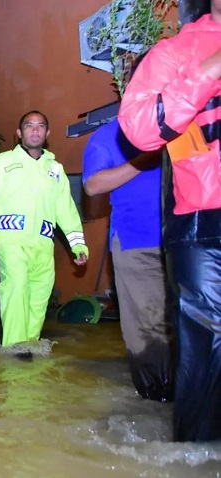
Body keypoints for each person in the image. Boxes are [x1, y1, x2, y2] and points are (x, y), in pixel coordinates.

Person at [117, 0, 221, 442]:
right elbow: (135, 133)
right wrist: (209, 70)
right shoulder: (176, 52)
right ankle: (191, 448)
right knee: (164, 331)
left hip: (166, 237)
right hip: (197, 222)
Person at [0, 111, 88, 354]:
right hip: (11, 241)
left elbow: (66, 210)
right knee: (16, 289)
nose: (35, 130)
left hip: (43, 245)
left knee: (40, 295)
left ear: (47, 134)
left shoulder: (55, 169)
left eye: (40, 126)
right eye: (29, 125)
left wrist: (78, 245)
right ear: (19, 133)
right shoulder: (2, 162)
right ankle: (15, 351)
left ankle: (31, 347)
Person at [82, 118, 172, 402]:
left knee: (189, 320)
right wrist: (143, 160)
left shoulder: (182, 125)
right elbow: (93, 185)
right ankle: (155, 399)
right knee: (148, 322)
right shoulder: (108, 135)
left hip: (187, 239)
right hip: (137, 243)